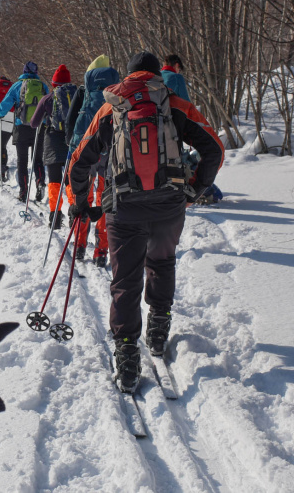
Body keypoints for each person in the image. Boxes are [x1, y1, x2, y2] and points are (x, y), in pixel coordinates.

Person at [67, 51, 223, 393]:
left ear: (130, 75)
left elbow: (79, 161)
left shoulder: (112, 106)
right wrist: (194, 188)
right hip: (169, 203)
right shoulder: (176, 104)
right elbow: (215, 149)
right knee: (162, 261)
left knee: (125, 278)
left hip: (123, 207)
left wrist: (81, 201)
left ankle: (126, 352)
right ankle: (158, 325)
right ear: (156, 75)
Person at [64, 55, 119, 267]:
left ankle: (79, 245)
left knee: (82, 197)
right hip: (109, 150)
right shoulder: (116, 90)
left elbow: (71, 122)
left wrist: (72, 147)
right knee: (104, 198)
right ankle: (101, 250)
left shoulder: (83, 90)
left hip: (85, 147)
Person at [0, 61, 48, 202]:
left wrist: (0, 114)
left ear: (24, 71)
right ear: (36, 72)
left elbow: (6, 103)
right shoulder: (43, 86)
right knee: (37, 160)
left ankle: (23, 191)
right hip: (38, 128)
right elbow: (50, 104)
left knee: (22, 161)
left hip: (21, 128)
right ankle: (40, 182)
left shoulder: (17, 86)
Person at [29, 65, 75, 228]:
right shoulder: (78, 96)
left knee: (54, 181)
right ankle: (73, 213)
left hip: (52, 142)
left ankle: (54, 216)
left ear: (54, 83)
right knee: (70, 181)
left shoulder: (47, 99)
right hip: (72, 142)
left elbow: (34, 123)